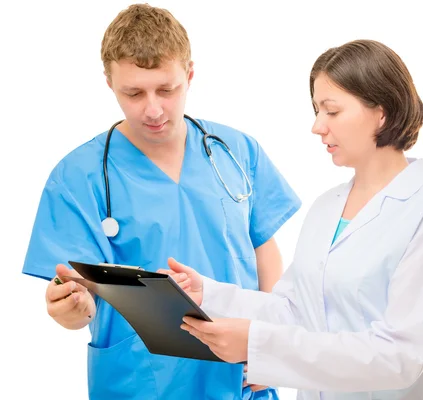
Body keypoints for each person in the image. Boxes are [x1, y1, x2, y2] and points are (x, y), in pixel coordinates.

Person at [21, 4, 300, 399]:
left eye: (167, 90)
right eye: (133, 93)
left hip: (240, 380)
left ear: (189, 73)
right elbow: (78, 295)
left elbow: (263, 248)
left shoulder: (236, 150)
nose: (153, 110)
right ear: (108, 82)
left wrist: (273, 345)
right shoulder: (77, 177)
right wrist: (69, 309)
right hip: (141, 381)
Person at [161, 39, 423, 400]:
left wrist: (258, 344)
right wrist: (207, 294)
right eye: (317, 111)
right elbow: (294, 309)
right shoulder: (326, 206)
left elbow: (400, 355)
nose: (317, 126)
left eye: (331, 111)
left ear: (381, 112)